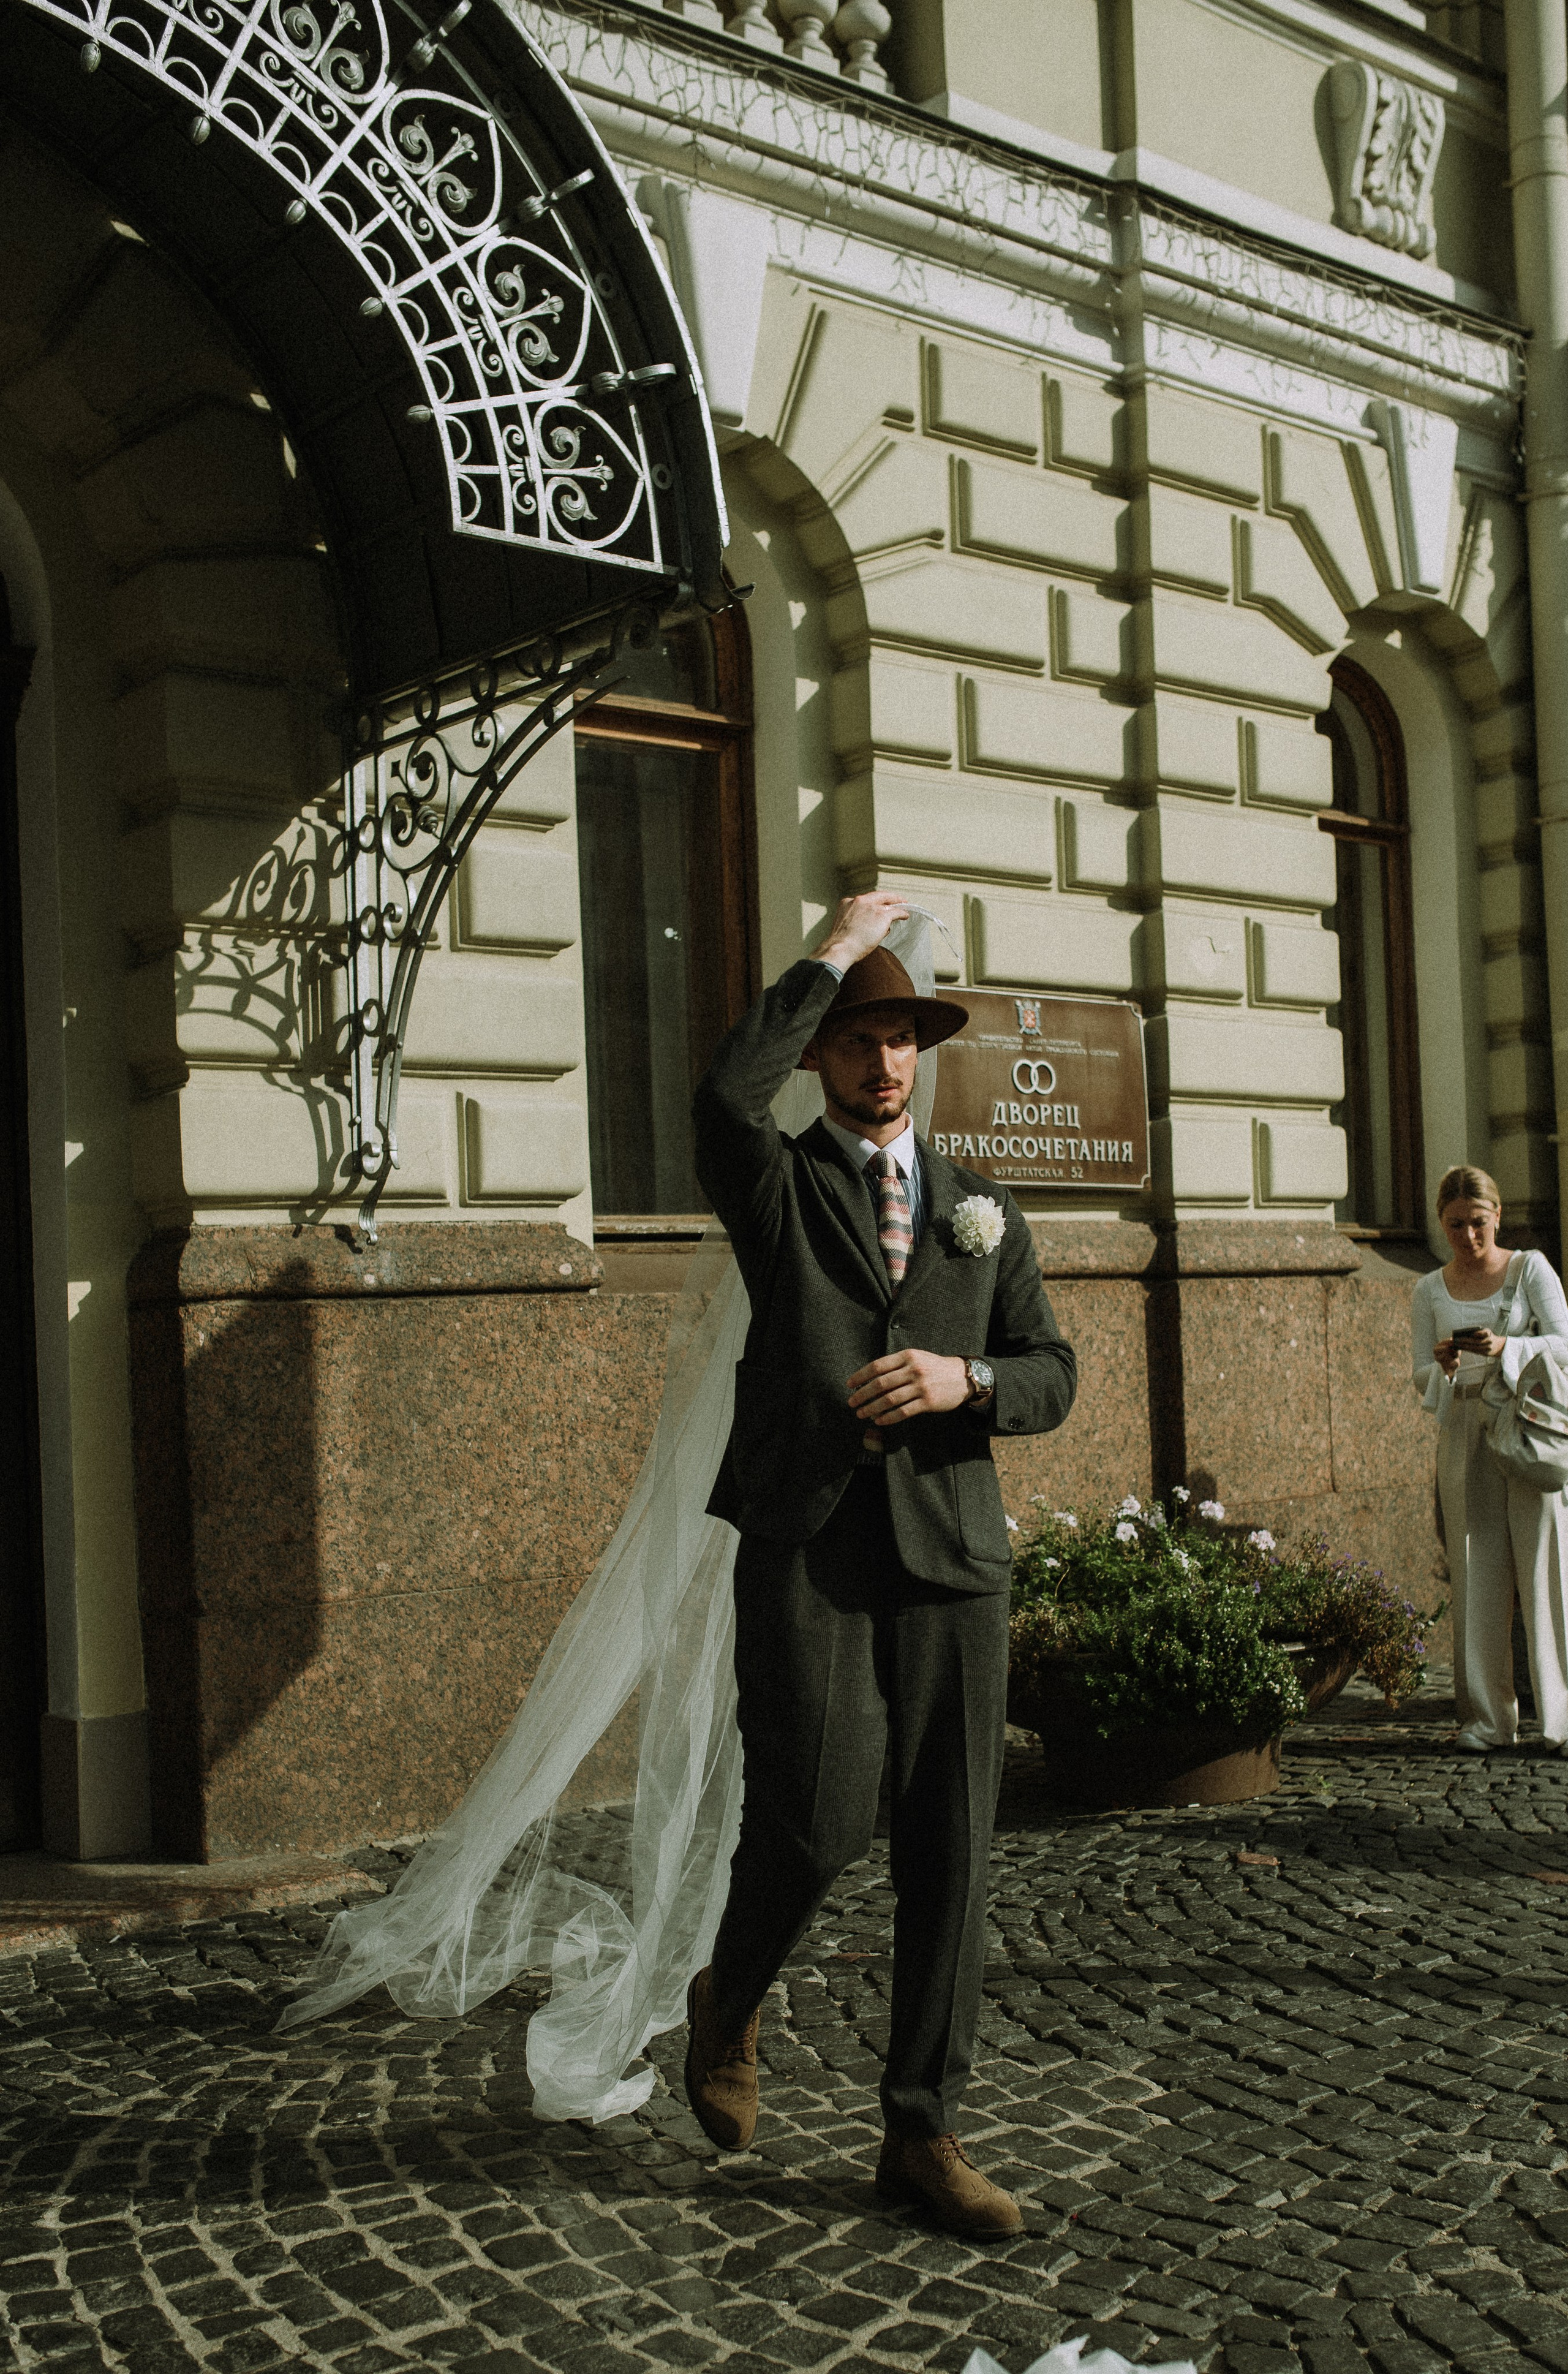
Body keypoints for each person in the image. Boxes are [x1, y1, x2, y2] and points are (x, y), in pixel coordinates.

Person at [683, 890, 1077, 2239]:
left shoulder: (982, 1209)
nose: (882, 1058)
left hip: (953, 1551)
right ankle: (726, 1998)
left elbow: (1049, 1369)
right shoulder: (777, 1183)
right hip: (807, 1539)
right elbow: (723, 1092)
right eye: (857, 1034)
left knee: (951, 1849)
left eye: (901, 1035)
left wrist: (967, 1375)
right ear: (823, 1053)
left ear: (922, 1052)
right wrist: (833, 949)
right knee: (816, 1815)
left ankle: (921, 2126)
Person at [1411, 1163, 1568, 1753]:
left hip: (1527, 1426)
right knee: (1476, 1571)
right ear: (1441, 1223)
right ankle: (1488, 1718)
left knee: (1547, 1568)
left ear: (1497, 1216)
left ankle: (1561, 1719)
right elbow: (1418, 1373)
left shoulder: (1529, 1268)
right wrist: (1444, 1367)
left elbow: (1566, 1342)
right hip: (1465, 1430)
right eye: (1456, 1226)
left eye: (1478, 1223)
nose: (1469, 1238)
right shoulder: (1427, 1288)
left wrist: (1507, 1346)